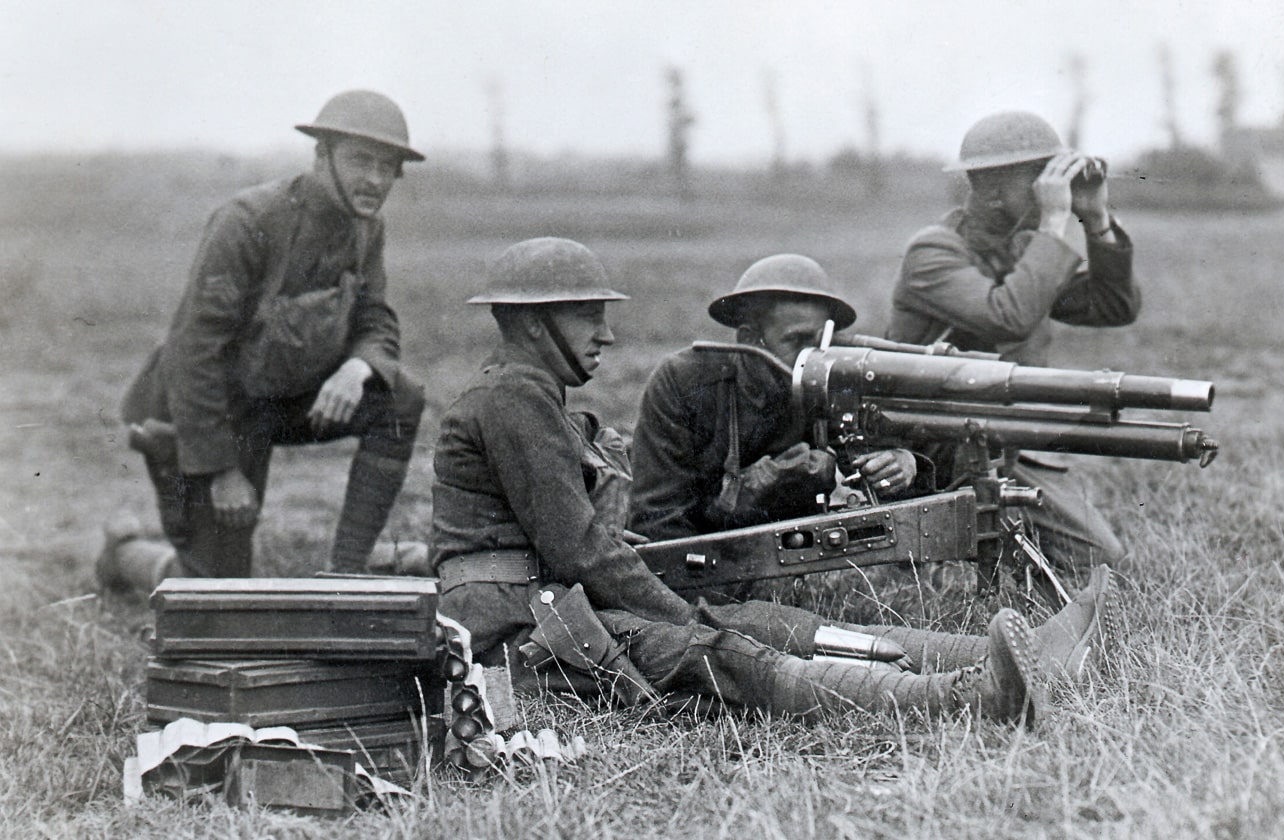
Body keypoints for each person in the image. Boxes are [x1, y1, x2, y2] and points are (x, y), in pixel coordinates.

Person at [430, 236, 1122, 727]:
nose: (605, 334)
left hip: (550, 605)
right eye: (586, 313)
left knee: (777, 624)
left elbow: (586, 546)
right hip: (518, 632)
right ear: (529, 320)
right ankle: (966, 696)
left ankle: (1027, 654)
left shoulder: (529, 397)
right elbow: (581, 549)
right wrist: (678, 611)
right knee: (726, 651)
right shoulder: (513, 400)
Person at [99, 90, 426, 591]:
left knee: (397, 395)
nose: (376, 180)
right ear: (322, 153)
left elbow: (376, 318)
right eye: (362, 161)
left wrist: (357, 367)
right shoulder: (247, 221)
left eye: (388, 167)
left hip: (278, 402)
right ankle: (123, 554)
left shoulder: (366, 229)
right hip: (203, 415)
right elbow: (194, 353)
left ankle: (344, 575)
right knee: (216, 597)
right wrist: (222, 471)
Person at [886, 110, 1142, 579]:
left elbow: (1112, 306)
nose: (1053, 192)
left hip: (1004, 440)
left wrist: (1097, 220)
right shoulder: (932, 253)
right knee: (965, 575)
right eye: (1040, 181)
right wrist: (1054, 224)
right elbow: (1009, 315)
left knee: (1098, 559)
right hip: (932, 450)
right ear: (989, 191)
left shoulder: (1024, 249)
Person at [628, 253, 926, 542]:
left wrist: (903, 464)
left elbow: (877, 477)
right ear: (748, 340)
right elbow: (658, 521)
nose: (813, 358)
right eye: (796, 341)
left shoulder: (829, 385)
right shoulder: (683, 383)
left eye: (821, 343)